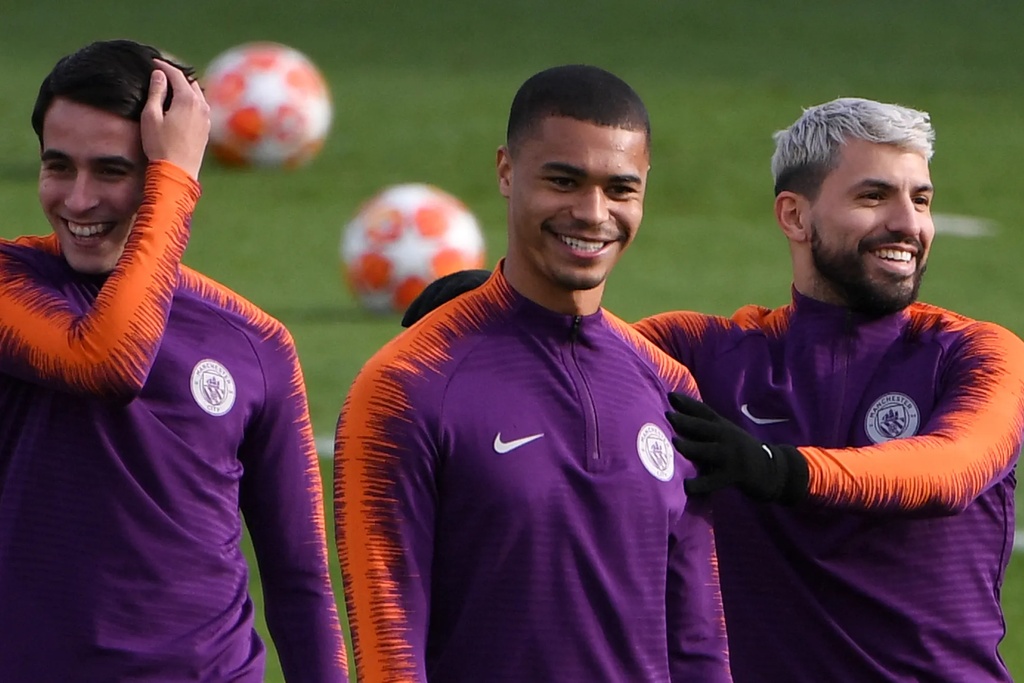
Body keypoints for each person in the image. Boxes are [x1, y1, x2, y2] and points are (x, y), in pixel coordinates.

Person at [403, 97, 1024, 681]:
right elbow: (577, 352)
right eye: (874, 196)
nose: (907, 223)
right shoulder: (703, 355)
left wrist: (775, 469)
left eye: (921, 200)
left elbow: (952, 470)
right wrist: (496, 310)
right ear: (795, 215)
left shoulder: (977, 354)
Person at [334, 64, 730, 682]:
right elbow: (389, 648)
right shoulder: (407, 383)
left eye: (620, 189)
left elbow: (698, 639)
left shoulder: (669, 386)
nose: (593, 213)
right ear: (506, 171)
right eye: (564, 181)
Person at [0, 40, 347, 681]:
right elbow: (108, 361)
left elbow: (301, 581)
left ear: (161, 172)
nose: (78, 200)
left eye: (112, 171)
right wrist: (176, 183)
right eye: (58, 167)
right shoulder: (9, 283)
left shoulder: (256, 342)